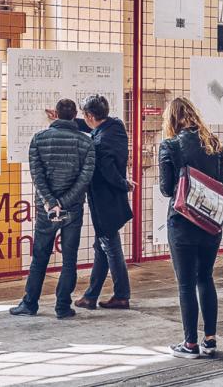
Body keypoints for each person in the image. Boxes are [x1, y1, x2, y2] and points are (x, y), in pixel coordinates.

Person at [10, 98, 96, 319]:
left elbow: (37, 176)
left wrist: (51, 202)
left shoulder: (39, 139)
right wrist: (65, 202)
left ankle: (29, 304)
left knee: (40, 257)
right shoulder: (86, 143)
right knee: (69, 259)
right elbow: (85, 178)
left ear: (56, 114)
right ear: (75, 115)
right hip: (73, 209)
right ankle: (62, 307)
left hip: (45, 209)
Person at [159, 97, 223, 359]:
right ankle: (210, 340)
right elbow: (219, 182)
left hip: (183, 223)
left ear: (172, 120)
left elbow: (166, 190)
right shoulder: (214, 144)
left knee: (185, 284)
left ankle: (190, 344)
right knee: (206, 277)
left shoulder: (170, 145)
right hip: (211, 222)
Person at [71, 95, 134, 311]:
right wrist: (69, 121)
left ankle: (122, 295)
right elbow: (92, 128)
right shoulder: (115, 127)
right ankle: (91, 296)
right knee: (103, 246)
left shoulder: (100, 142)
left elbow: (108, 171)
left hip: (104, 202)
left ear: (90, 116)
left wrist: (124, 183)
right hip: (113, 200)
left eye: (84, 116)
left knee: (110, 247)